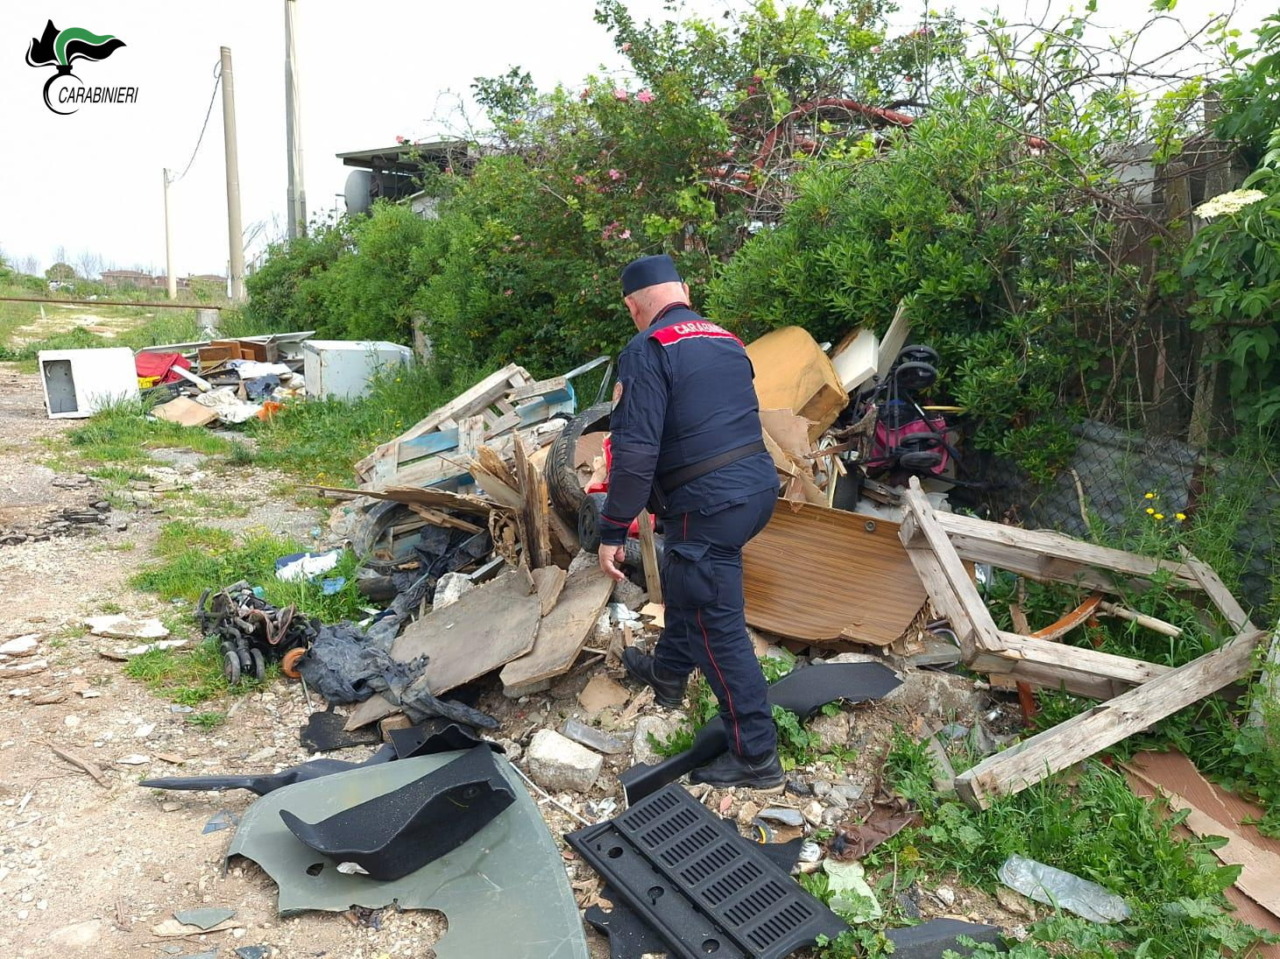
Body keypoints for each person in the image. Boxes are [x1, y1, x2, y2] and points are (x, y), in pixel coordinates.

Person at [597, 253, 782, 789]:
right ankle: (669, 674)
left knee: (719, 628)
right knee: (689, 580)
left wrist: (613, 530)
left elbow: (634, 455)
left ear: (634, 306)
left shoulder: (646, 349)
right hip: (754, 491)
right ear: (682, 288)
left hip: (708, 504)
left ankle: (756, 757)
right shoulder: (727, 341)